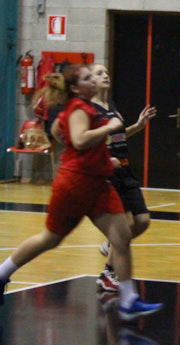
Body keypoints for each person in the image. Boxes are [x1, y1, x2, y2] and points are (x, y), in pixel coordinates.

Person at [0, 66, 162, 321]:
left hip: (99, 183)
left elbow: (57, 132)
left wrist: (100, 154)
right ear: (76, 87)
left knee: (121, 238)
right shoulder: (78, 108)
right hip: (75, 184)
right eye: (87, 78)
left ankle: (129, 299)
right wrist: (108, 128)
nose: (94, 80)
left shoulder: (86, 107)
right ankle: (2, 274)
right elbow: (79, 140)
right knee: (50, 239)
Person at [89, 64, 157, 292]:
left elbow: (118, 135)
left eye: (106, 72)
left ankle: (112, 245)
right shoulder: (88, 109)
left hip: (125, 170)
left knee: (142, 221)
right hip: (107, 172)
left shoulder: (111, 105)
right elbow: (88, 141)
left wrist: (138, 126)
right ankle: (108, 274)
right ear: (90, 80)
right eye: (99, 73)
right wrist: (105, 159)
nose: (105, 75)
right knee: (125, 226)